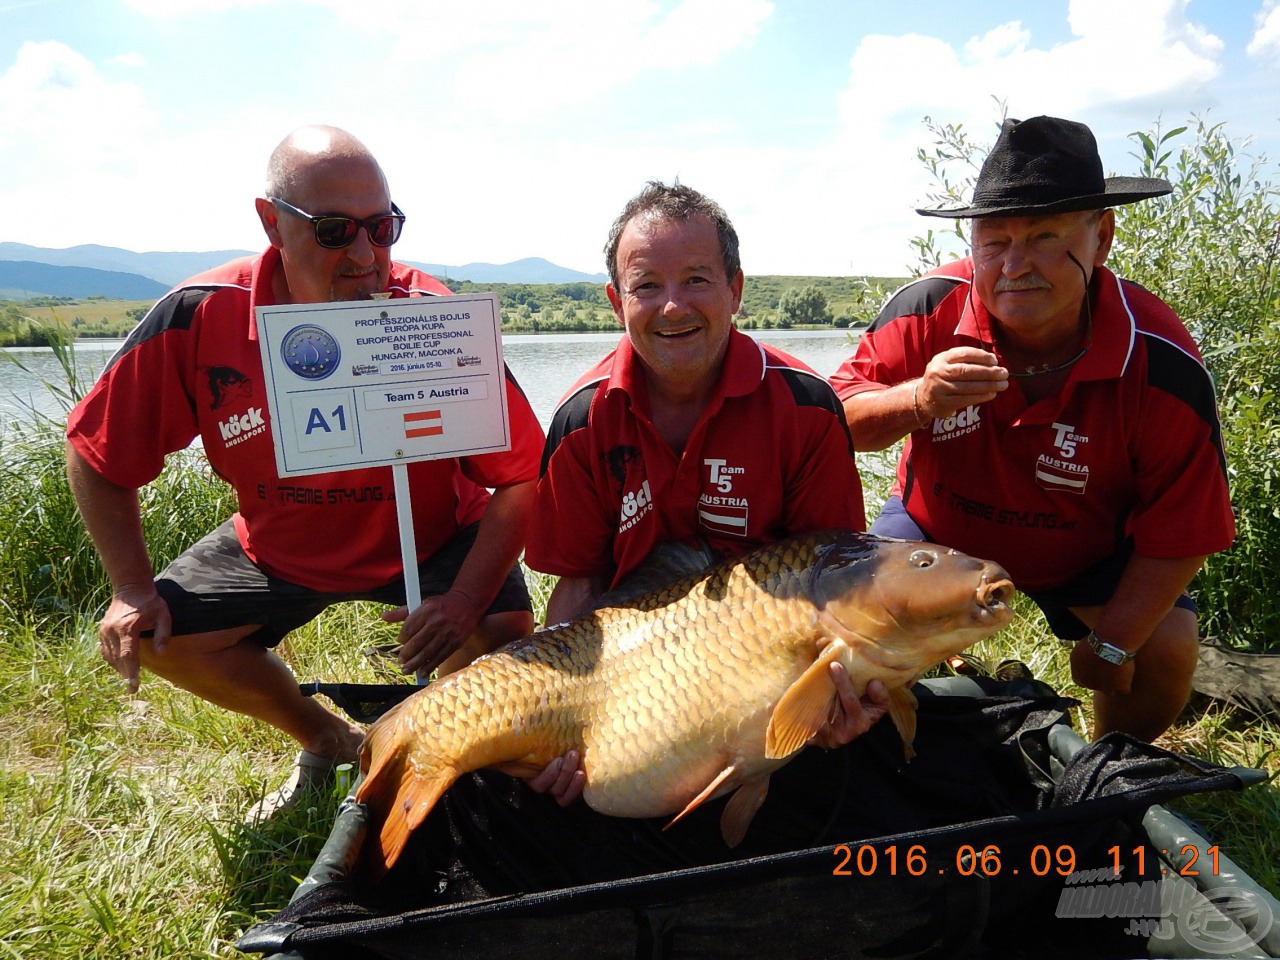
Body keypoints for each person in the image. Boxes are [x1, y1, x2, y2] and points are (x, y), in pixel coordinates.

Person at [65, 126, 545, 817]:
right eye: (332, 231)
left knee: (503, 643)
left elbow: (523, 477)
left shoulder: (436, 319)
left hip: (437, 535)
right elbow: (95, 451)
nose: (364, 254)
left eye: (384, 229)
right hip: (279, 548)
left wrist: (466, 600)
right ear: (271, 223)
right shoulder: (201, 315)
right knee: (156, 633)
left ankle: (438, 756)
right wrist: (131, 588)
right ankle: (329, 742)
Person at [832, 115, 1235, 742]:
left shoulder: (1162, 362)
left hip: (1090, 555)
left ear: (1101, 237)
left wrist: (1113, 644)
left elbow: (1184, 530)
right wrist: (917, 399)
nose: (1014, 266)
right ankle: (884, 760)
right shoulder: (926, 307)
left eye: (1044, 236)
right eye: (993, 242)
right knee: (844, 632)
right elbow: (835, 424)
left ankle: (1106, 772)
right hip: (935, 535)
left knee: (1167, 647)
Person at [524, 182, 885, 803]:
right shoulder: (582, 421)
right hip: (636, 677)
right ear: (616, 302)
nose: (672, 307)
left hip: (768, 665)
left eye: (696, 279)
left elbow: (836, 575)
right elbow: (577, 587)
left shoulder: (805, 405)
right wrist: (561, 719)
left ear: (736, 290)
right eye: (646, 286)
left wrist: (835, 692)